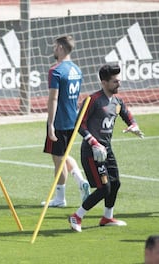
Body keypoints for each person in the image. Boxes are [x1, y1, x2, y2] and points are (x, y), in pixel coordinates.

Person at [69, 64, 144, 232]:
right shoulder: (93, 100)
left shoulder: (117, 101)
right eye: (115, 81)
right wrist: (93, 142)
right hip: (92, 151)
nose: (119, 83)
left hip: (106, 149)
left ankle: (107, 217)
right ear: (104, 82)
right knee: (104, 188)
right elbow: (79, 124)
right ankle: (77, 216)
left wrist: (133, 125)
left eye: (119, 80)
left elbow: (127, 114)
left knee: (115, 183)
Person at [42, 35, 90, 207]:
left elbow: (53, 99)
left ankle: (60, 198)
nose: (54, 49)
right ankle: (80, 181)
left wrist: (50, 124)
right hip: (73, 119)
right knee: (64, 155)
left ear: (61, 48)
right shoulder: (77, 70)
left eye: (55, 46)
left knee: (58, 160)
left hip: (60, 121)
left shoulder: (55, 70)